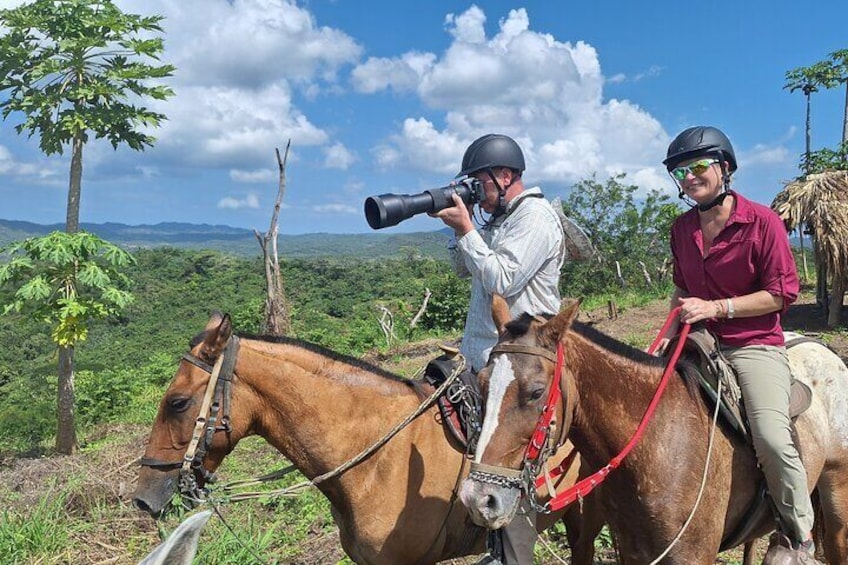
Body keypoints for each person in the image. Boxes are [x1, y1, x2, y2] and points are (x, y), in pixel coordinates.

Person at [658, 125, 820, 563]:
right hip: (697, 342)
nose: (688, 178)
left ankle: (798, 531)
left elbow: (783, 293)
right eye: (680, 173)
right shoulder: (682, 229)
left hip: (752, 343)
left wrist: (719, 309)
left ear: (724, 168)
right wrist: (667, 334)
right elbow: (680, 289)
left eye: (696, 167)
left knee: (769, 434)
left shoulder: (763, 222)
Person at [432, 133, 565, 565]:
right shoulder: (497, 219)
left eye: (479, 183)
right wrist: (463, 227)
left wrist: (469, 228)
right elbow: (460, 267)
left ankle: (512, 555)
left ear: (505, 176)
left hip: (524, 362)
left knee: (506, 458)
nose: (476, 191)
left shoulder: (536, 217)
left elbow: (504, 280)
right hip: (484, 358)